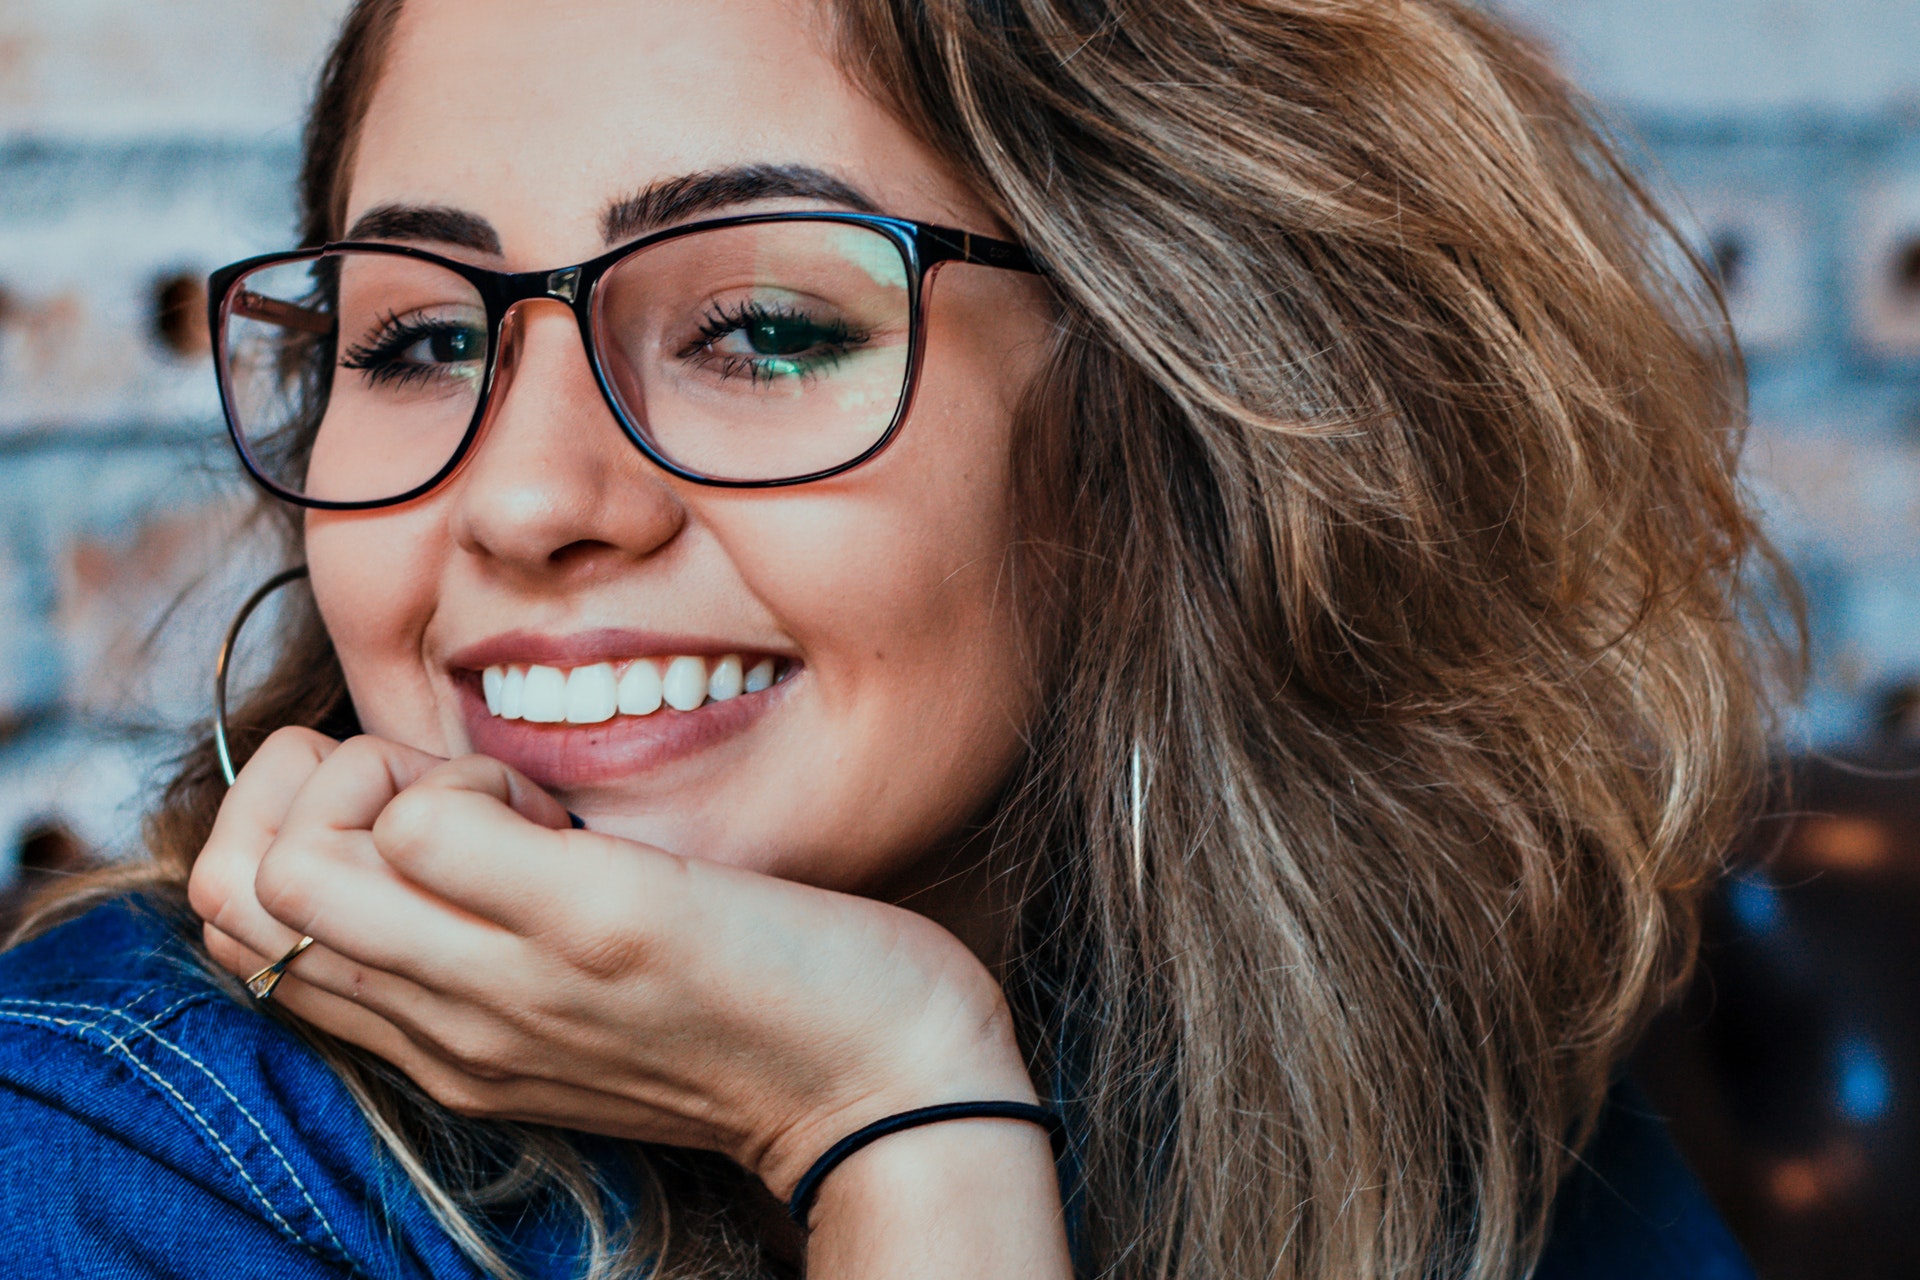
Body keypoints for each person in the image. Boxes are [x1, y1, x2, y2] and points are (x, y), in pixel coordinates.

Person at [0, 1, 1782, 1276]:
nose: (527, 501)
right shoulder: (99, 1159)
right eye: (418, 341)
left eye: (763, 326)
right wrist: (899, 1128)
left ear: (1167, 409)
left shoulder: (1396, 1010)